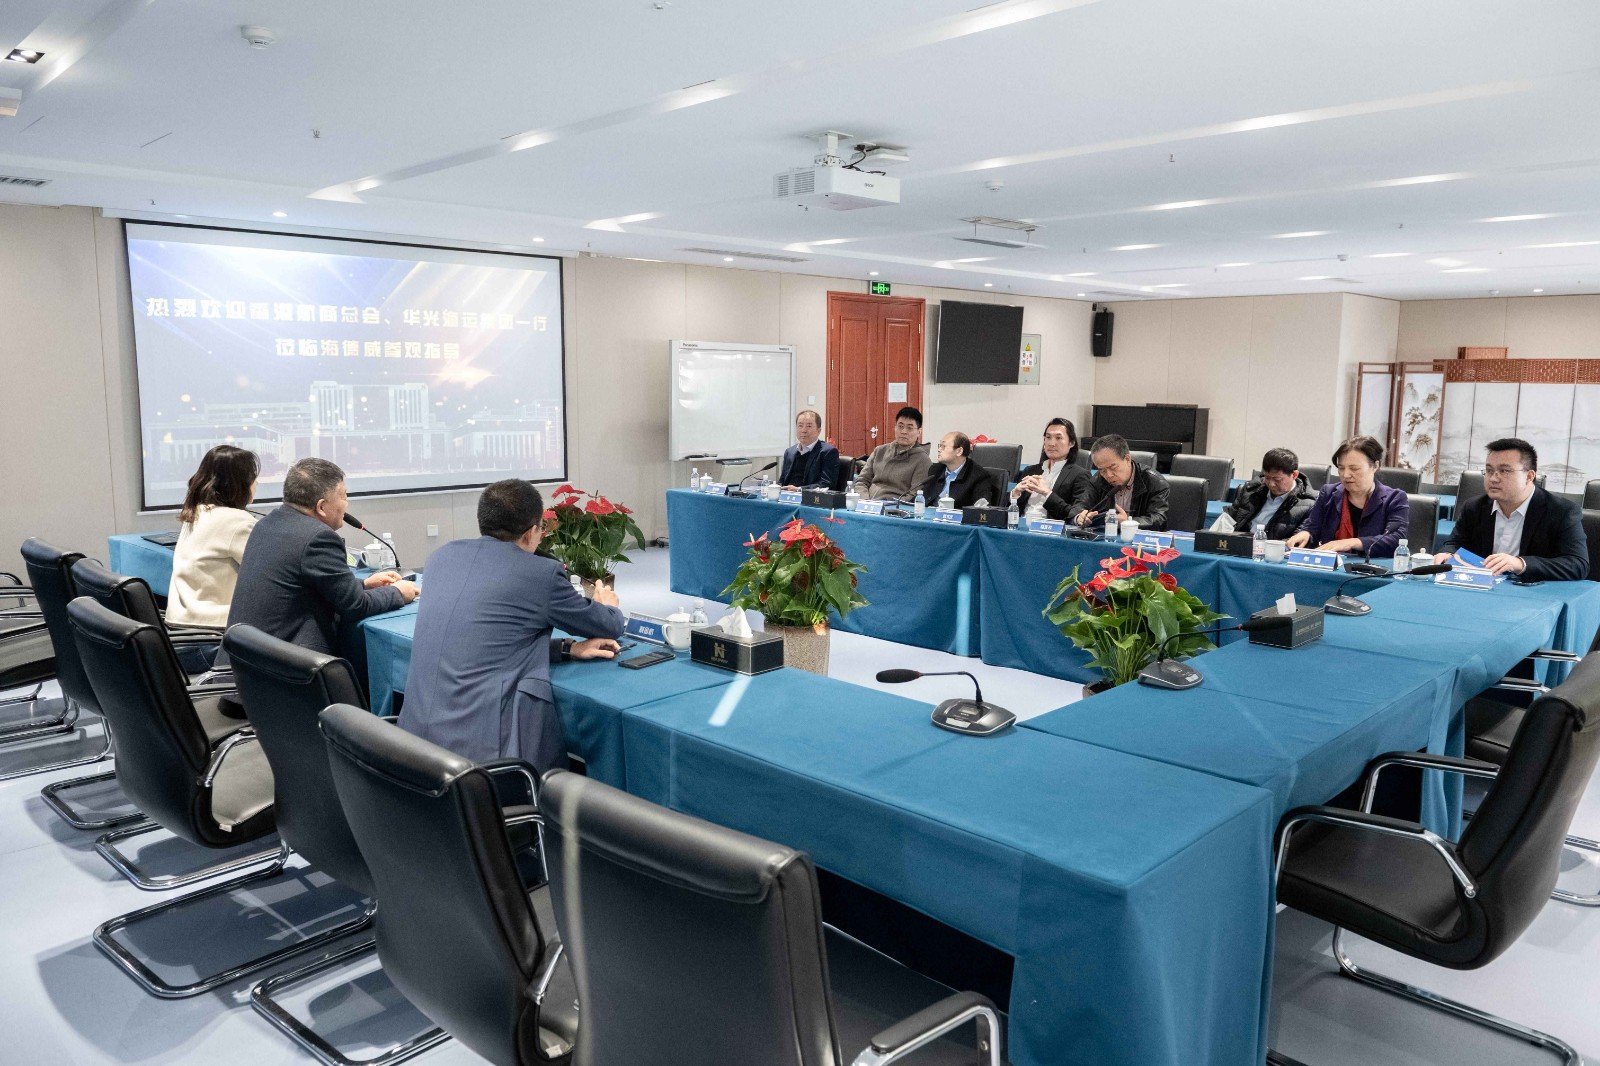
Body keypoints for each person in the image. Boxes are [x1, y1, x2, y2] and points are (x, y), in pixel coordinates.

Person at [399, 480, 625, 771]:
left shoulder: (441, 557)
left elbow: (486, 641)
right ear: (532, 532)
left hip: (413, 747)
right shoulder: (540, 574)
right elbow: (608, 625)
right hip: (481, 763)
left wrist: (567, 649)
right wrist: (608, 604)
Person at [228, 457, 417, 657]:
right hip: (282, 665)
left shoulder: (267, 524)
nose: (347, 504)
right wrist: (398, 592)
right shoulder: (318, 538)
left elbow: (302, 585)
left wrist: (363, 585)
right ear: (321, 507)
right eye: (344, 496)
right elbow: (356, 606)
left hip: (245, 657)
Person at [1440, 438, 1589, 580]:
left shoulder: (1561, 511)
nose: (1493, 478)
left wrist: (1520, 564)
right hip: (1483, 587)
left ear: (1529, 476)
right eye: (1489, 470)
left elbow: (1578, 564)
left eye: (1504, 471)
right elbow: (1454, 544)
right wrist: (1447, 554)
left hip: (1532, 593)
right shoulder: (1474, 507)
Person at [166, 445, 261, 629]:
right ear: (240, 483)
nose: (257, 483)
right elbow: (270, 570)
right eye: (253, 477)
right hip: (216, 628)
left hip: (181, 623)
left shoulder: (198, 512)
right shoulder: (237, 522)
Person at [1286, 435, 1408, 558]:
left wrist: (1351, 542)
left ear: (1375, 466)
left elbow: (1396, 539)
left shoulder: (1395, 498)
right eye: (1341, 468)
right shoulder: (1328, 493)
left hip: (1370, 566)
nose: (1346, 475)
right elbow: (1313, 527)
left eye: (1354, 469)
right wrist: (1306, 534)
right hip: (1331, 565)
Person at [1211, 447, 1317, 540]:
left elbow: (1296, 541)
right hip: (1240, 545)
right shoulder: (1251, 489)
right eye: (1267, 477)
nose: (1271, 484)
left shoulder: (1309, 504)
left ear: (1294, 475)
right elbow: (1227, 520)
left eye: (1277, 479)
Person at [1072, 434, 1171, 531]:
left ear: (1127, 459)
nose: (1109, 475)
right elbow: (1079, 506)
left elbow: (1159, 520)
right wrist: (1079, 517)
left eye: (1113, 467)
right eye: (1102, 470)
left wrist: (1128, 522)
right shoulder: (1097, 479)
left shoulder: (1155, 482)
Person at [1012, 417, 1092, 522]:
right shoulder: (1030, 471)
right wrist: (1015, 495)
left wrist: (1047, 493)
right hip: (1021, 525)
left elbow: (1074, 514)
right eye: (1048, 437)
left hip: (1050, 528)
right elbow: (1011, 512)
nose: (1051, 443)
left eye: (1058, 438)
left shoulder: (1080, 475)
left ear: (1071, 443)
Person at [856, 406, 929, 500]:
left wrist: (891, 506)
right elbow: (862, 481)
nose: (904, 431)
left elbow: (914, 495)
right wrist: (864, 501)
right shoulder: (879, 451)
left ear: (919, 432)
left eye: (909, 428)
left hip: (894, 507)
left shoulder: (922, 460)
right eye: (900, 426)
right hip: (868, 503)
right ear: (895, 427)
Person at [919, 431, 999, 509]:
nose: (939, 449)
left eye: (944, 446)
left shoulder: (978, 475)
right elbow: (923, 499)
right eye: (939, 446)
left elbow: (981, 508)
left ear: (959, 451)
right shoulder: (935, 470)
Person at [779, 409, 841, 489]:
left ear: (819, 430)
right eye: (800, 426)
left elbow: (826, 484)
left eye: (809, 426)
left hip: (810, 496)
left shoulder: (828, 452)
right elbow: (782, 481)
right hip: (787, 495)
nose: (803, 430)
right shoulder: (789, 452)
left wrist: (799, 490)